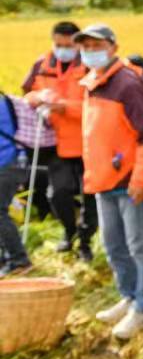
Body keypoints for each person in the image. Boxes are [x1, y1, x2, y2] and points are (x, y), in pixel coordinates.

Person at [76, 24, 143, 340]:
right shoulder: (91, 83)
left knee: (140, 245)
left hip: (129, 181)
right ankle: (128, 294)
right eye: (86, 46)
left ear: (113, 47)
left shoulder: (127, 83)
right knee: (114, 245)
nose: (90, 52)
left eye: (97, 46)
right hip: (103, 180)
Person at [20, 21, 95, 262]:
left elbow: (98, 105)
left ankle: (85, 241)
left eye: (68, 45)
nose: (63, 50)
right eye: (58, 45)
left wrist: (65, 107)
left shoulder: (90, 65)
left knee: (90, 194)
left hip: (87, 141)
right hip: (54, 142)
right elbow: (26, 94)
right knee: (57, 193)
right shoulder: (41, 65)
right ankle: (69, 231)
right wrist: (38, 97)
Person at [0, 90, 33, 277]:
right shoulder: (7, 100)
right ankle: (7, 258)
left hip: (6, 163)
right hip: (16, 162)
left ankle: (19, 260)